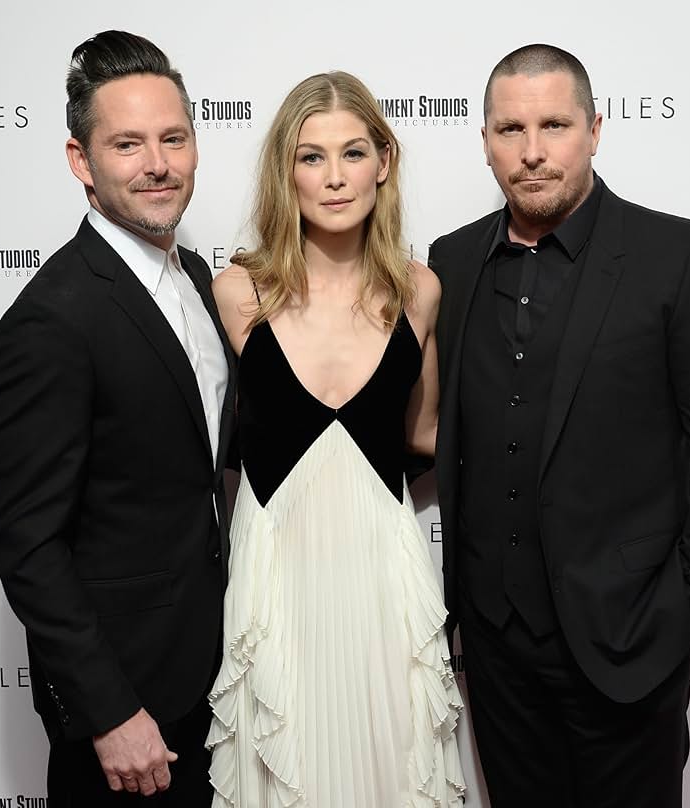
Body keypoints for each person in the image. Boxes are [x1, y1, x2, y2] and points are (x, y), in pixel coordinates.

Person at [428, 42, 690, 808]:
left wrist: (685, 612)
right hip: (496, 649)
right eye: (510, 129)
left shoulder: (682, 258)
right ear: (484, 141)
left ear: (596, 129)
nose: (533, 151)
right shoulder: (452, 261)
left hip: (629, 643)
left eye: (555, 125)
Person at [0, 30, 235, 806]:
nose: (156, 164)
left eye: (173, 138)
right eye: (126, 144)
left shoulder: (193, 272)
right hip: (127, 710)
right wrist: (109, 710)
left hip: (213, 678)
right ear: (80, 160)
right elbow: (27, 541)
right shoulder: (52, 319)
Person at [206, 71, 465, 807]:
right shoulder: (238, 290)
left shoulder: (421, 290)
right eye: (310, 157)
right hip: (277, 575)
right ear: (285, 172)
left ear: (384, 161)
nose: (334, 177)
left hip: (383, 573)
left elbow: (424, 433)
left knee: (389, 765)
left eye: (353, 153)